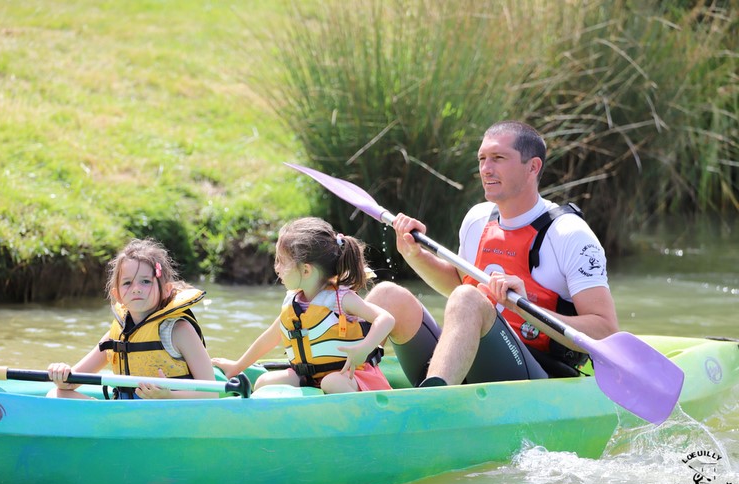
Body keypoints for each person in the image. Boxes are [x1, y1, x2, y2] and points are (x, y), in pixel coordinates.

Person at [365, 120, 619, 387]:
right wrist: (414, 255)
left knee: (466, 298)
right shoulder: (477, 219)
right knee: (386, 294)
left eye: (498, 158)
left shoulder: (570, 234)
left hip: (536, 377)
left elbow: (605, 333)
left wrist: (524, 309)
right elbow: (458, 283)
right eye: (482, 159)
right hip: (467, 363)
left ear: (533, 167)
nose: (486, 169)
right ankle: (340, 379)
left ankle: (434, 405)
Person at [211, 217, 395, 394]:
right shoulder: (293, 303)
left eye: (281, 262)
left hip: (353, 377)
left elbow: (386, 319)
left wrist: (363, 349)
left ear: (306, 270)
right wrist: (237, 366)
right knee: (264, 382)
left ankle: (363, 418)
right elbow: (269, 339)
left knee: (332, 382)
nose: (276, 268)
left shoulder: (341, 298)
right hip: (311, 378)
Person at [47, 238, 217, 399]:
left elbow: (211, 393)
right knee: (56, 394)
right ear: (117, 295)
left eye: (145, 282)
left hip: (168, 412)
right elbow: (69, 384)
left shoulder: (179, 331)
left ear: (166, 290)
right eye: (127, 283)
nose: (136, 289)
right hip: (126, 414)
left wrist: (168, 396)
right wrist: (61, 372)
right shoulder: (116, 334)